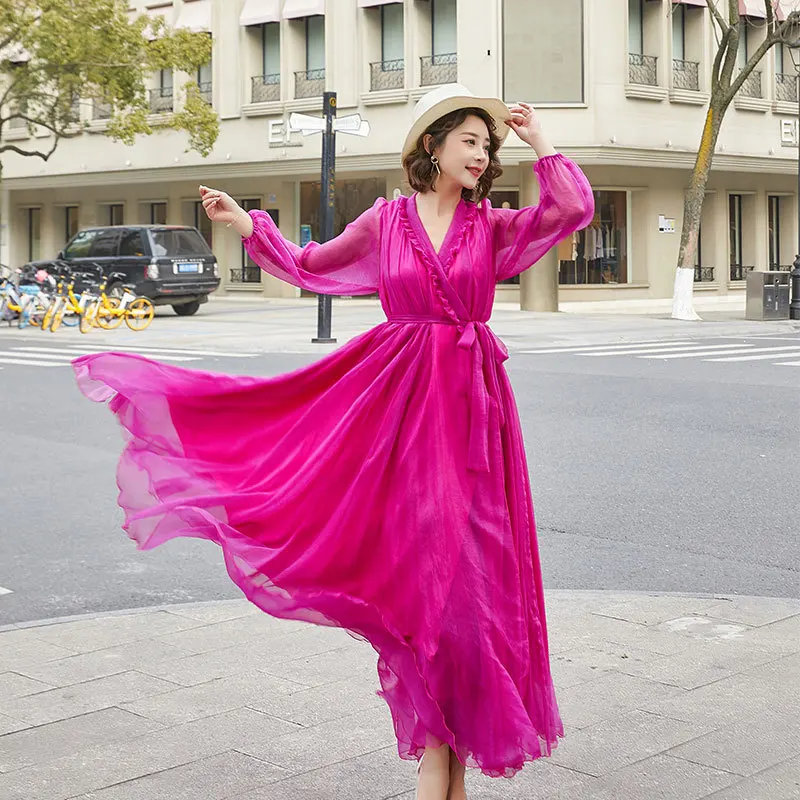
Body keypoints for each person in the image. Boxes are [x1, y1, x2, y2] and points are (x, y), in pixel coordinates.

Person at [72, 84, 594, 800]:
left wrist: (542, 143)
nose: (480, 153)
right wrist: (245, 227)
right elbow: (311, 267)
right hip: (394, 410)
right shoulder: (388, 221)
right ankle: (435, 762)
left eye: (487, 144)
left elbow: (571, 210)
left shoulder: (495, 226)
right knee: (419, 586)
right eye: (468, 140)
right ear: (431, 146)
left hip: (471, 417)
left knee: (471, 587)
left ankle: (449, 764)